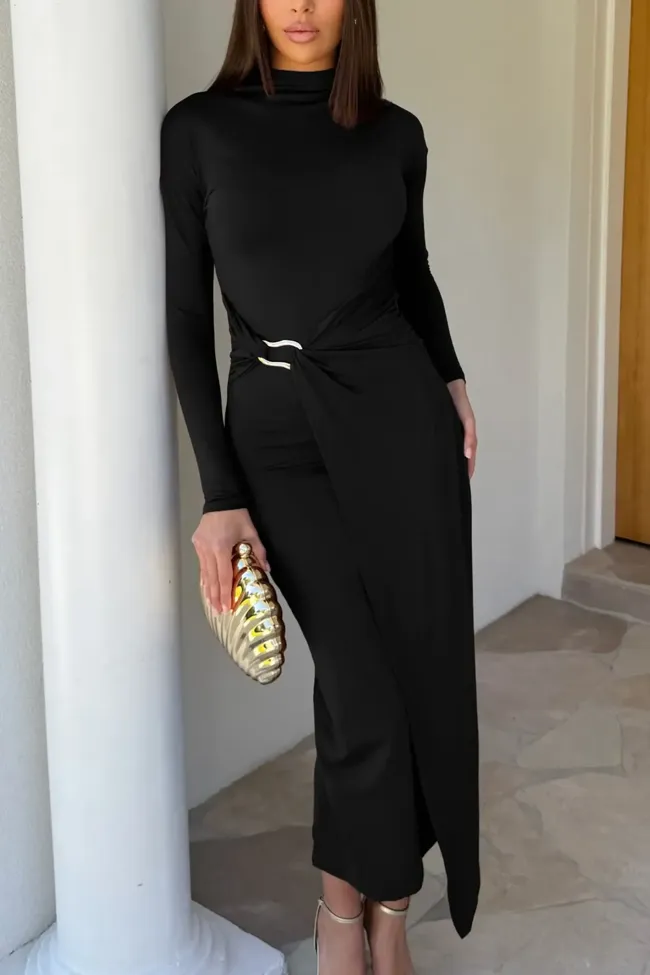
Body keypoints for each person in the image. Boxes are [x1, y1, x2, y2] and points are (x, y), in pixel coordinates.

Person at [160, 1, 480, 972]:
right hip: (276, 440)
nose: (300, 5)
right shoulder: (199, 131)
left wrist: (451, 379)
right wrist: (219, 495)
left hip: (402, 425)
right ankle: (349, 909)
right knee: (362, 684)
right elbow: (186, 319)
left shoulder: (396, 135)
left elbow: (412, 275)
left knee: (417, 671)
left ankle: (379, 911)